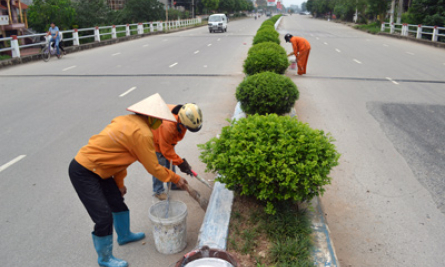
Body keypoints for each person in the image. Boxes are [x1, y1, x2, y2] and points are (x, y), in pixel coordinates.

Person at [68, 93, 188, 267]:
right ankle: (105, 258)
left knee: (117, 201)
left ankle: (124, 236)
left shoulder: (126, 120)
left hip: (102, 169)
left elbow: (119, 158)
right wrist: (176, 178)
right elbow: (153, 168)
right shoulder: (143, 133)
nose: (161, 122)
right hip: (85, 171)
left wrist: (119, 184)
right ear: (151, 117)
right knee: (103, 217)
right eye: (160, 119)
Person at [151, 103, 203, 200]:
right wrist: (181, 163)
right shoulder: (168, 126)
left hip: (165, 138)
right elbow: (166, 151)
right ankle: (158, 190)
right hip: (154, 138)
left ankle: (173, 184)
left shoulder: (185, 114)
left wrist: (179, 162)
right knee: (159, 165)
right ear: (182, 122)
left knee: (171, 161)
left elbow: (170, 150)